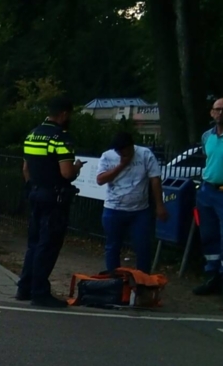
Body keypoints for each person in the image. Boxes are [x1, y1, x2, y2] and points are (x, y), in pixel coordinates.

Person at [16, 97, 85, 308]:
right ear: (64, 114)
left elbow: (25, 169)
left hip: (35, 194)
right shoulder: (60, 138)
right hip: (54, 198)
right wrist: (77, 167)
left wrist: (33, 188)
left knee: (34, 244)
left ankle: (24, 288)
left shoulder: (32, 135)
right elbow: (66, 173)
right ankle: (40, 293)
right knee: (48, 245)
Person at [95, 132, 169, 273]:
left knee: (143, 246)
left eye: (125, 150)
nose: (122, 153)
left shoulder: (145, 154)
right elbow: (100, 180)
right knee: (112, 246)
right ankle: (114, 279)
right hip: (113, 208)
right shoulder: (107, 156)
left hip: (140, 211)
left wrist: (160, 205)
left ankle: (143, 281)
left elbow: (155, 179)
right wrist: (121, 165)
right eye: (119, 151)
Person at [193, 97, 223, 305]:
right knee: (208, 235)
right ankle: (212, 276)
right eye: (216, 109)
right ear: (211, 113)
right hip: (207, 191)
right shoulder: (207, 136)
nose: (220, 113)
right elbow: (208, 158)